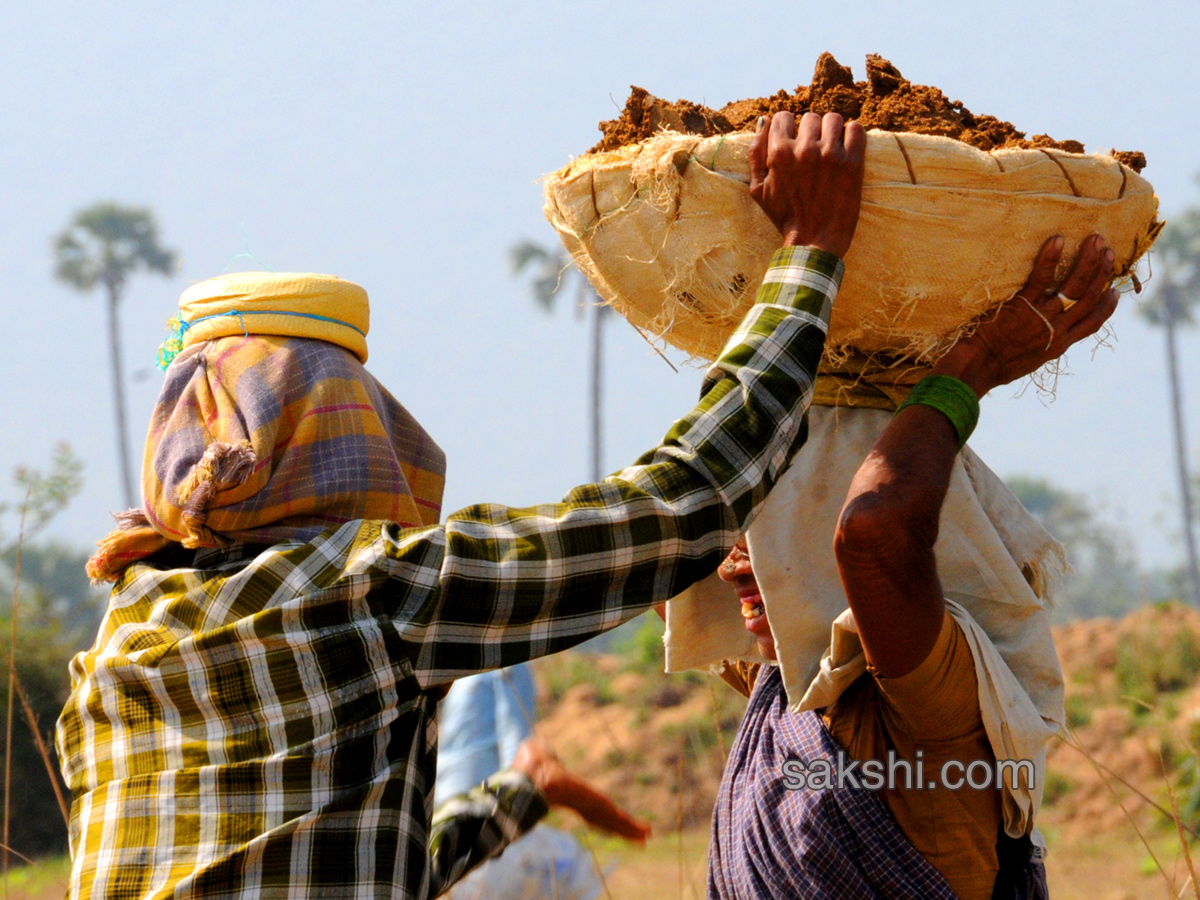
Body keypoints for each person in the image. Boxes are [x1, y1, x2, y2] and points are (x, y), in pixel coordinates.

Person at [55, 110, 866, 898]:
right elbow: (680, 509)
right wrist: (807, 259)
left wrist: (514, 797)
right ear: (340, 430)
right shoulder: (369, 596)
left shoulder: (122, 639)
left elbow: (329, 861)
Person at [702, 144, 1119, 898]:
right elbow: (683, 522)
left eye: (769, 534)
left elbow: (875, 530)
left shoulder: (931, 698)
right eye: (746, 536)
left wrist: (976, 365)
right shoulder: (792, 684)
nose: (736, 567)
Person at [434, 666, 648, 900]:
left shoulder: (455, 675)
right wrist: (622, 824)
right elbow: (529, 767)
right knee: (575, 868)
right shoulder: (508, 663)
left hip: (442, 832)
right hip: (486, 838)